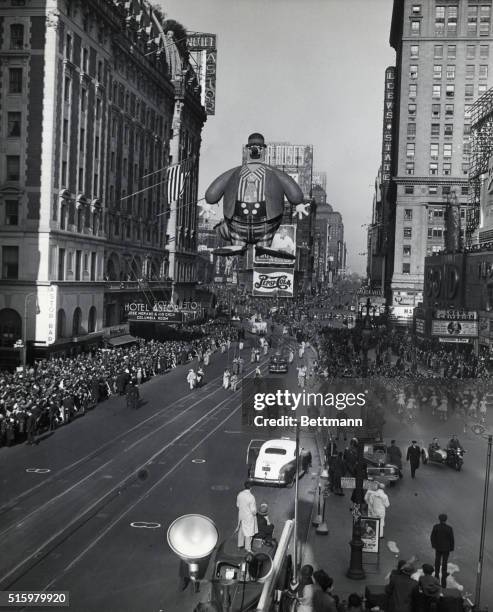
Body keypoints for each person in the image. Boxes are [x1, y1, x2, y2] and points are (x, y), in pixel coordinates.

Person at [430, 513, 454, 588]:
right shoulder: (449, 528)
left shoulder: (436, 527)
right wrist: (451, 547)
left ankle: (436, 573)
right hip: (446, 548)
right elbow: (451, 539)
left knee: (437, 559)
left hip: (438, 547)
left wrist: (434, 545)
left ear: (439, 519)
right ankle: (444, 573)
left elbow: (432, 537)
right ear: (446, 519)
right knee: (445, 561)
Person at [236, 481, 257, 553]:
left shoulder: (240, 494)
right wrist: (255, 514)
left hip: (241, 514)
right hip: (248, 516)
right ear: (251, 487)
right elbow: (253, 510)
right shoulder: (251, 497)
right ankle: (248, 548)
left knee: (241, 530)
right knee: (249, 532)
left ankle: (240, 545)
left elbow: (238, 505)